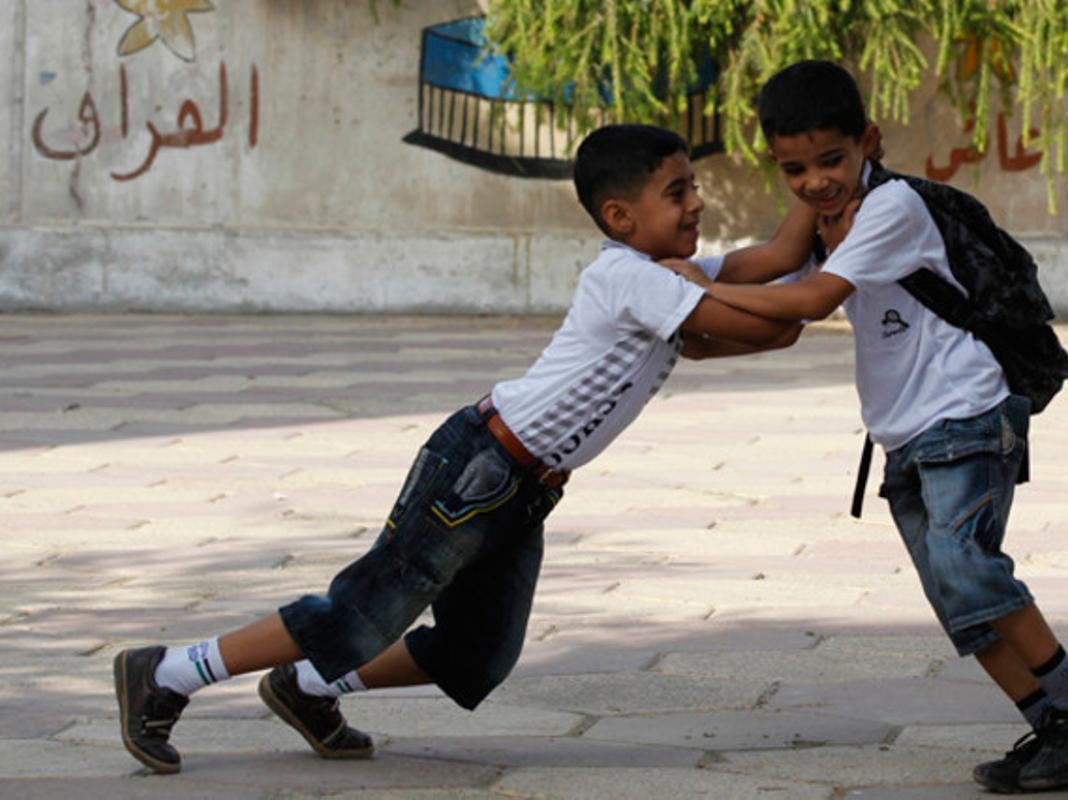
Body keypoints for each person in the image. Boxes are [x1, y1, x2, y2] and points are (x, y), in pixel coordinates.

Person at [113, 123, 820, 774]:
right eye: (678, 191)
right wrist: (770, 290)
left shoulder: (665, 274)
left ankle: (306, 685)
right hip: (480, 467)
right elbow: (766, 325)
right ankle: (168, 672)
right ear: (619, 216)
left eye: (693, 187)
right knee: (359, 610)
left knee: (475, 654)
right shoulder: (632, 277)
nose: (697, 203)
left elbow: (782, 262)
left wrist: (822, 194)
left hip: (524, 488)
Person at [664, 61, 1068, 794]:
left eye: (831, 160)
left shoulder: (892, 206)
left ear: (869, 142)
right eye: (794, 169)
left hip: (967, 411)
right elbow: (778, 267)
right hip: (904, 433)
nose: (815, 181)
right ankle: (1054, 730)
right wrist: (689, 297)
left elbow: (811, 300)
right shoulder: (824, 214)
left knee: (968, 567)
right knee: (958, 601)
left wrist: (702, 288)